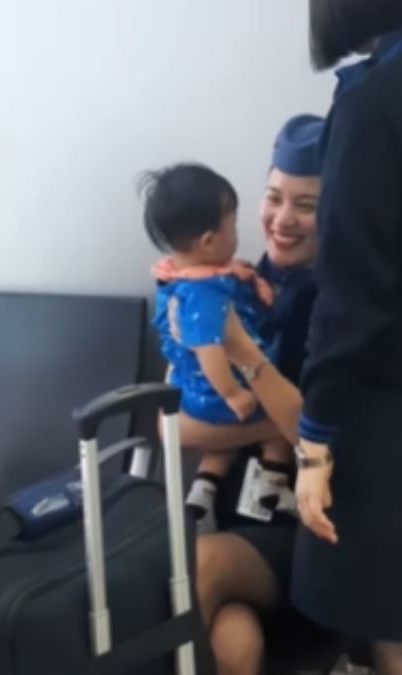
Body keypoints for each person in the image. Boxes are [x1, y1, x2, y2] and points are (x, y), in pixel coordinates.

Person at [220, 2, 402, 674]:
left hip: (382, 415)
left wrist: (317, 445)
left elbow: (353, 296)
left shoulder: (377, 101)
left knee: (390, 631)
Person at [193, 114, 327, 675]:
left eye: (307, 205)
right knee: (235, 646)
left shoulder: (346, 309)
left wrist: (281, 422)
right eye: (274, 198)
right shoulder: (228, 286)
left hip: (311, 538)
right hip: (231, 520)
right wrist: (275, 424)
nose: (283, 219)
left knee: (195, 569)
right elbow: (176, 426)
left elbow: (323, 436)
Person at [141, 163, 295, 533]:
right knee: (276, 429)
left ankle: (204, 489)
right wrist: (232, 392)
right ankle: (272, 485)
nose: (238, 233)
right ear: (209, 241)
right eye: (234, 225)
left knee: (222, 440)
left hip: (191, 390)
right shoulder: (206, 294)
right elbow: (210, 346)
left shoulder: (177, 277)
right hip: (219, 390)